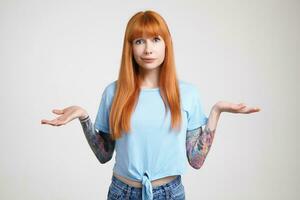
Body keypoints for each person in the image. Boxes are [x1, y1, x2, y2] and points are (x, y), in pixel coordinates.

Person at [41, 10, 261, 200]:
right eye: (139, 41)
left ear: (167, 44)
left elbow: (196, 160)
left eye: (155, 39)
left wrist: (216, 112)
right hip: (122, 192)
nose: (148, 49)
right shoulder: (113, 92)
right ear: (130, 48)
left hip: (169, 193)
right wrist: (84, 118)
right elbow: (104, 155)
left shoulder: (188, 94)